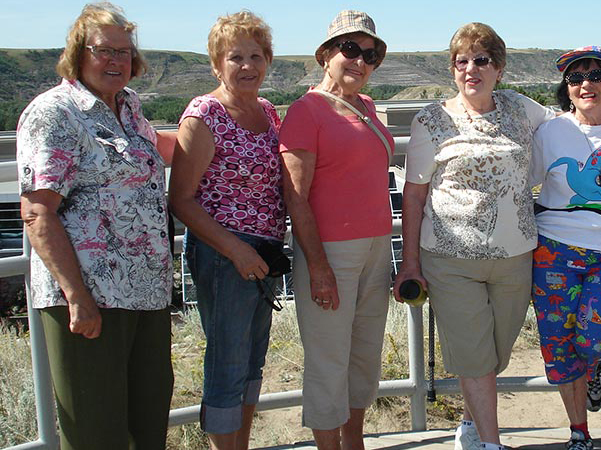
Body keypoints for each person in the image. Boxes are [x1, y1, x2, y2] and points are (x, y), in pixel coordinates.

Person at [16, 3, 174, 449]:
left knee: (148, 427)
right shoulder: (55, 113)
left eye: (124, 51)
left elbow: (161, 150)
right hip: (92, 299)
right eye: (104, 50)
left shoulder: (128, 106)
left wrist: (223, 126)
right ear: (78, 53)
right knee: (96, 433)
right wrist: (77, 297)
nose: (116, 60)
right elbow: (37, 212)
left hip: (146, 293)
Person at [392, 22, 555, 450]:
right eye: (461, 61)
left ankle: (469, 422)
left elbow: (569, 126)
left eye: (481, 60)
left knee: (494, 354)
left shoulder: (522, 109)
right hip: (450, 259)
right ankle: (491, 443)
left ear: (499, 68)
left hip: (515, 256)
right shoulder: (432, 120)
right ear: (452, 69)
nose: (471, 69)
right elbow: (414, 193)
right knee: (474, 355)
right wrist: (410, 263)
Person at [168, 11, 284, 450]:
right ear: (217, 64)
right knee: (228, 364)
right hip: (224, 254)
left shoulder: (267, 111)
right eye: (236, 57)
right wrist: (236, 250)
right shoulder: (204, 115)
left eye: (256, 56)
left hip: (264, 252)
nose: (247, 65)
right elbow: (181, 199)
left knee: (253, 364)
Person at [279, 10, 394, 450]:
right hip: (330, 252)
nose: (360, 61)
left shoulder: (367, 107)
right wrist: (318, 267)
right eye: (350, 49)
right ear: (326, 54)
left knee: (364, 355)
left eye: (370, 55)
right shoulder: (306, 111)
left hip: (376, 247)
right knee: (328, 360)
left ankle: (354, 442)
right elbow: (296, 197)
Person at [528, 45, 601, 450]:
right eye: (575, 78)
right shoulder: (550, 131)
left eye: (595, 76)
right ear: (566, 88)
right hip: (554, 248)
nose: (585, 84)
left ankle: (593, 366)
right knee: (558, 345)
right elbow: (521, 183)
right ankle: (579, 432)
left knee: (592, 339)